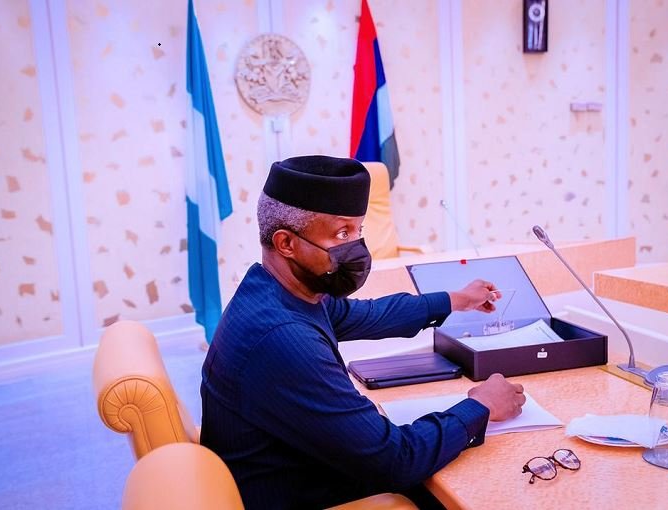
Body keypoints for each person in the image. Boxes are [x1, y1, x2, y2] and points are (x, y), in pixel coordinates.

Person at [200, 155, 526, 509]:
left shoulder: (274, 292)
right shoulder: (283, 338)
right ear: (286, 243)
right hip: (302, 494)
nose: (357, 247)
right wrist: (480, 407)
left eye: (359, 231)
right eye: (342, 233)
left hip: (307, 469)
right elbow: (395, 460)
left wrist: (454, 299)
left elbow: (369, 314)